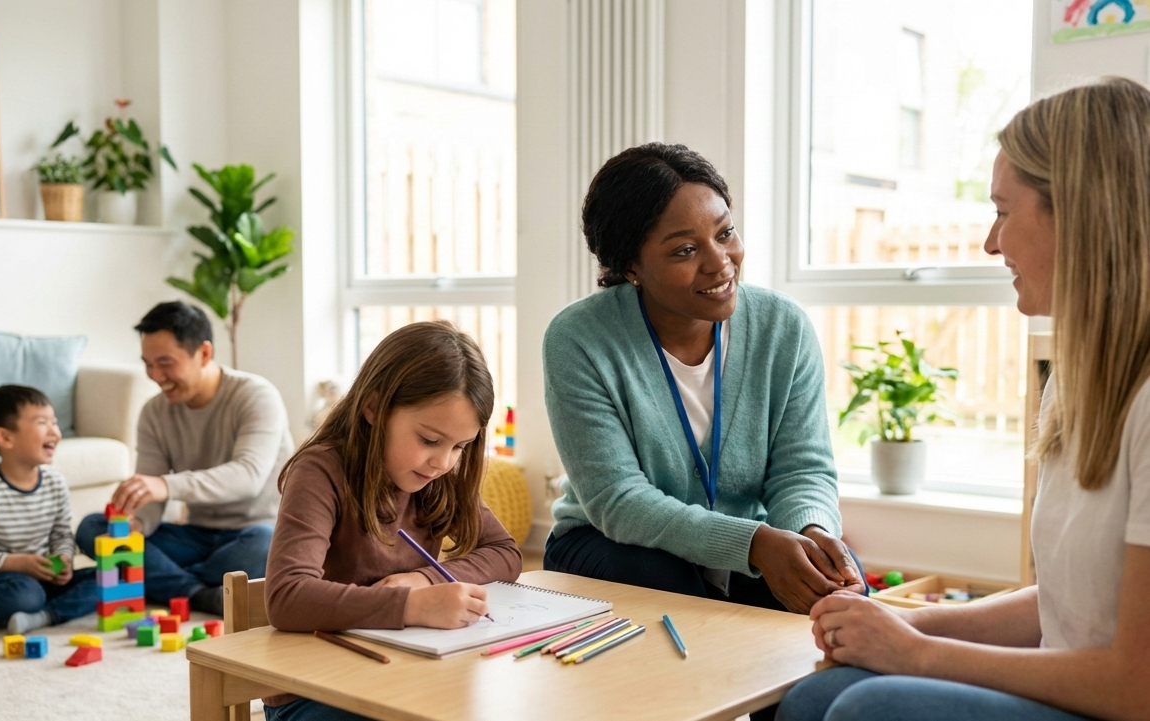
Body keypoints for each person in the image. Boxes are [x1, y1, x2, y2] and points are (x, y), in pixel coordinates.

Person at [777, 77, 1150, 721]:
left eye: (1004, 211)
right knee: (815, 696)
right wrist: (905, 625)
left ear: (1081, 214)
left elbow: (1135, 685)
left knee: (873, 709)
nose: (991, 242)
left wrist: (916, 655)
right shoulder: (1079, 380)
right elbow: (1069, 607)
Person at [543, 142, 863, 620]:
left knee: (839, 589)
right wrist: (753, 544)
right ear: (630, 267)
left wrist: (811, 534)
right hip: (611, 543)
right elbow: (619, 501)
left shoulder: (783, 327)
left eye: (725, 232)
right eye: (686, 250)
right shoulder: (579, 339)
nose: (720, 262)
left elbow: (802, 470)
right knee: (669, 584)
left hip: (748, 544)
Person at [262, 321, 522, 721]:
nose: (444, 462)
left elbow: (505, 552)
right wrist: (411, 606)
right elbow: (286, 598)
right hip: (313, 689)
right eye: (430, 440)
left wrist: (426, 579)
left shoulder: (438, 478)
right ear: (373, 408)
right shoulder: (320, 471)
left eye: (460, 447)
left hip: (403, 673)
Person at [75, 301, 294, 615]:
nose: (155, 375)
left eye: (165, 363)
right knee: (93, 527)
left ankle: (162, 581)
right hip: (195, 534)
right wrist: (137, 522)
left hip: (254, 532)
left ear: (204, 353)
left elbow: (248, 477)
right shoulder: (154, 412)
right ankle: (201, 593)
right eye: (147, 364)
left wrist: (165, 485)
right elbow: (150, 494)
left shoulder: (256, 396)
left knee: (269, 546)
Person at [0, 385, 98, 633]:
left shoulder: (55, 483)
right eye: (42, 423)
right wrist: (16, 563)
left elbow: (61, 534)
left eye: (55, 422)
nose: (55, 432)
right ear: (6, 438)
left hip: (41, 577)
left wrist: (65, 559)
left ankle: (43, 616)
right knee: (25, 593)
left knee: (109, 579)